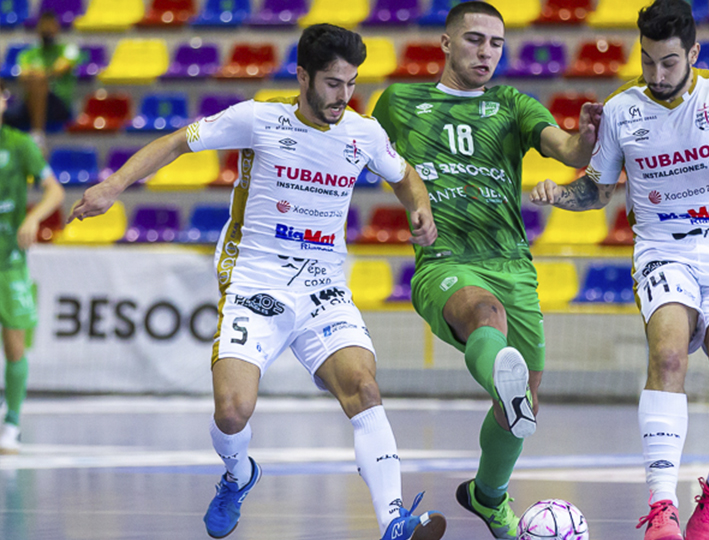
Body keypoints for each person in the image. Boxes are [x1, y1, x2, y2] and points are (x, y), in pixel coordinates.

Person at [68, 24, 446, 540]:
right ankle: (237, 475)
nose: (344, 96)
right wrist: (113, 186)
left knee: (363, 387)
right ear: (304, 76)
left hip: (322, 286)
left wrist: (420, 209)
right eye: (333, 83)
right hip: (254, 280)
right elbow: (179, 141)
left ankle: (393, 522)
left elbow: (404, 176)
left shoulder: (364, 133)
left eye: (352, 83)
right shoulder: (260, 118)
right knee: (232, 410)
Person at [529, 1, 709, 539]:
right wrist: (559, 194)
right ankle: (662, 508)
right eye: (649, 60)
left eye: (670, 63)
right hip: (661, 247)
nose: (658, 75)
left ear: (693, 54)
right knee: (669, 353)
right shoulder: (622, 109)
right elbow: (598, 189)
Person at [370, 3, 601, 538]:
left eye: (496, 43)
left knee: (523, 406)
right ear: (447, 43)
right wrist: (411, 206)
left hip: (512, 263)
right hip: (444, 260)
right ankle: (502, 375)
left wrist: (585, 137)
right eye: (474, 40)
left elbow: (567, 150)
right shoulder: (400, 102)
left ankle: (487, 495)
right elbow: (352, 151)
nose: (486, 52)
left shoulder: (511, 104)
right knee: (483, 315)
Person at [0, 80, 65, 454]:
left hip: (8, 261)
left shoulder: (19, 145)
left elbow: (54, 191)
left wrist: (33, 218)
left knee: (14, 345)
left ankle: (12, 423)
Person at [3, 12, 81, 151]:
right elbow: (23, 76)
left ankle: (38, 134)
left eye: (50, 28)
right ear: (38, 30)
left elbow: (61, 68)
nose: (47, 32)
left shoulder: (69, 49)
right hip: (29, 103)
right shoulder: (27, 53)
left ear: (57, 28)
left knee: (39, 81)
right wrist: (39, 74)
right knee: (3, 111)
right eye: (44, 28)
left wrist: (40, 74)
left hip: (58, 105)